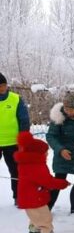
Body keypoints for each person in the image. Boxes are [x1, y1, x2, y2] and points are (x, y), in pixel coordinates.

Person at [14, 132, 69, 233]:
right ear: (37, 153)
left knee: (35, 217)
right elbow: (47, 181)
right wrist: (62, 183)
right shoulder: (37, 166)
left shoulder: (25, 163)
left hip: (28, 197)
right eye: (45, 152)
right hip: (35, 198)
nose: (47, 154)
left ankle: (33, 232)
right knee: (45, 219)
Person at [0, 72, 30, 205]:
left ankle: (18, 196)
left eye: (3, 85)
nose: (1, 88)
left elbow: (24, 120)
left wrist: (23, 139)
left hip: (13, 142)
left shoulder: (15, 99)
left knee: (16, 170)